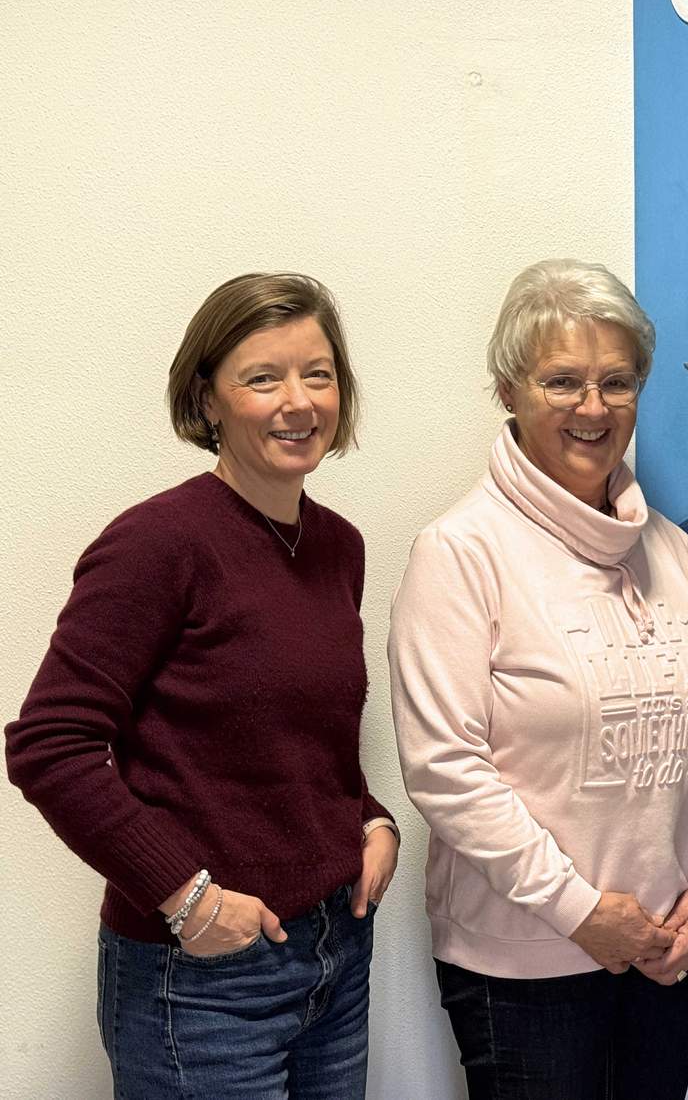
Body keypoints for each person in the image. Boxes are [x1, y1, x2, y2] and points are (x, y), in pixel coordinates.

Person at [6, 272, 399, 1098]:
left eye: (318, 374)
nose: (298, 402)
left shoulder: (338, 546)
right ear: (207, 399)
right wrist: (185, 898)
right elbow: (48, 744)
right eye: (262, 378)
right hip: (202, 982)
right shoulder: (158, 543)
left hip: (336, 957)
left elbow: (298, 736)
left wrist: (369, 818)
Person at [388, 258, 688, 1099]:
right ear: (508, 390)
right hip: (524, 967)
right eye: (562, 382)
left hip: (666, 950)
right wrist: (580, 911)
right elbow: (445, 769)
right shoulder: (460, 552)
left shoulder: (670, 548)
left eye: (617, 382)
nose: (593, 407)